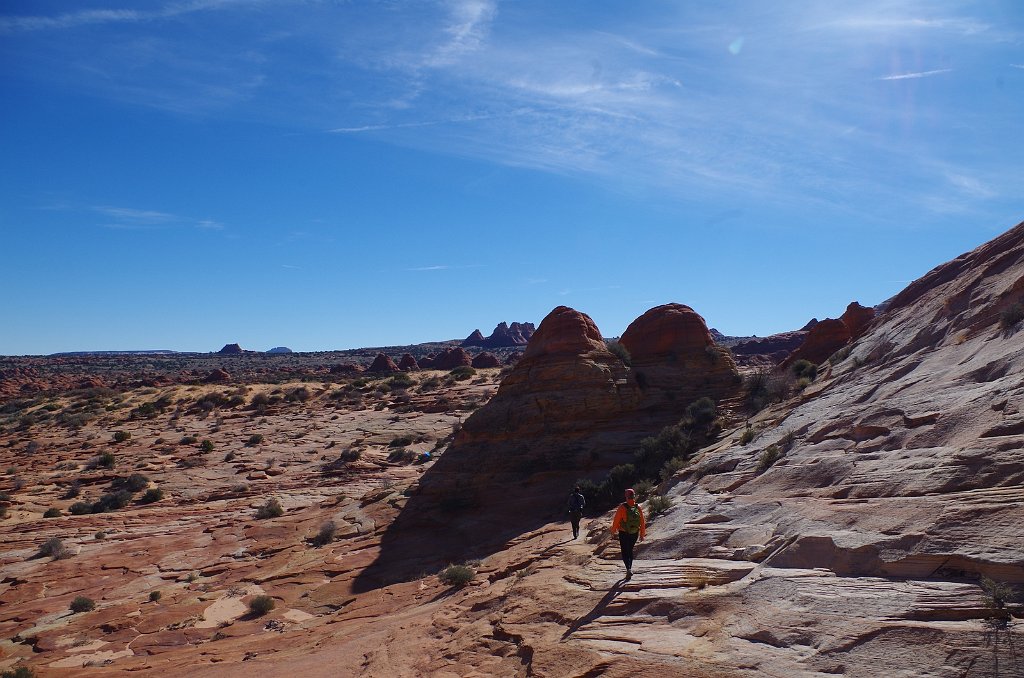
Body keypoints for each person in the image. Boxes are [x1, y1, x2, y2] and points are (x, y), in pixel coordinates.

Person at [610, 488, 646, 578]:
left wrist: (613, 531)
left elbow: (616, 520)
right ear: (634, 496)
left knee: (624, 551)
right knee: (630, 550)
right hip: (634, 532)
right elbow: (642, 522)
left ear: (626, 496)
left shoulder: (622, 507)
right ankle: (630, 568)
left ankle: (628, 569)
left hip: (623, 532)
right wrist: (642, 534)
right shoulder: (638, 507)